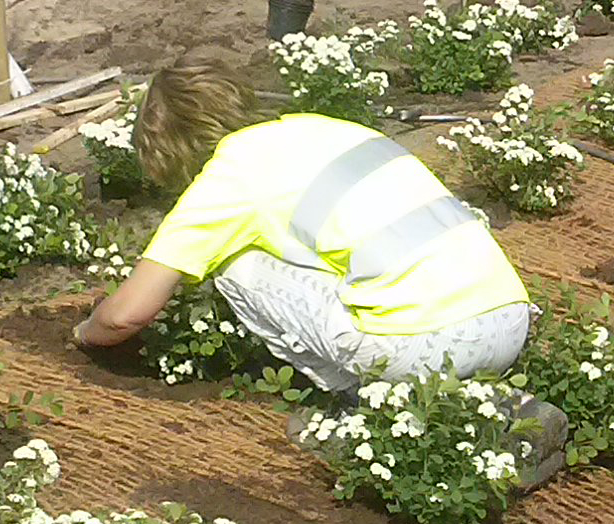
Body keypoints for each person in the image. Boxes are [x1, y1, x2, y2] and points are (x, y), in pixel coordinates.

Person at [70, 51, 538, 395]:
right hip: (510, 321)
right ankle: (487, 405)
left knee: (235, 262)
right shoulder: (327, 127)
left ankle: (365, 405)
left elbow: (126, 314)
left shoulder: (231, 174)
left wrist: (85, 332)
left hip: (420, 347)